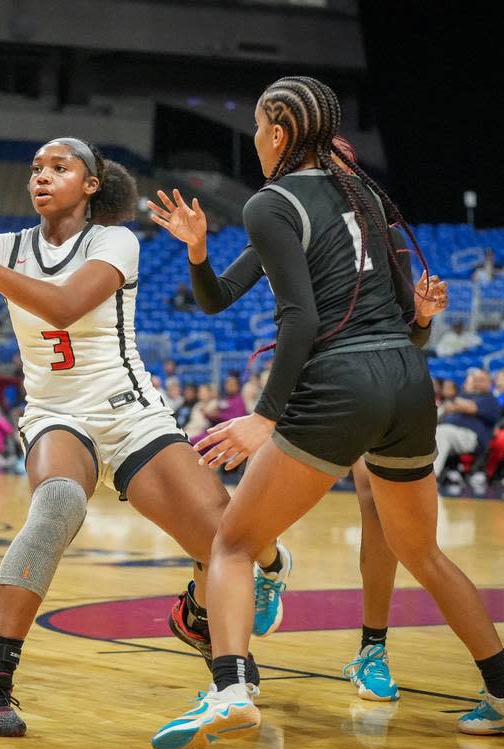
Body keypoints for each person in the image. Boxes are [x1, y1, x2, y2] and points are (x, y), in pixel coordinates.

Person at [0, 135, 282, 739]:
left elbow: (64, 306)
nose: (42, 176)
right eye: (36, 168)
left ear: (90, 185)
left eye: (59, 168)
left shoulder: (115, 240)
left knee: (221, 538)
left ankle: (198, 615)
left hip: (128, 411)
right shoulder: (5, 247)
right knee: (58, 503)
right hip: (56, 413)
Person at [149, 77, 504, 749]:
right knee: (421, 551)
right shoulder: (363, 196)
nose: (254, 136)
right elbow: (218, 297)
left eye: (256, 124)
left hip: (340, 383)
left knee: (234, 545)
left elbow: (301, 318)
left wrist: (264, 418)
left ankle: (231, 690)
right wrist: (195, 249)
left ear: (278, 132)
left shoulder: (272, 201)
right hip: (406, 378)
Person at [166, 130, 448, 704]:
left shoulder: (376, 231)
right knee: (251, 517)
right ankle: (268, 574)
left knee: (379, 515)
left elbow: (405, 336)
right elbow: (217, 296)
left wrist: (421, 318)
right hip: (314, 383)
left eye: (341, 164)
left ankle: (372, 648)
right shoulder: (285, 220)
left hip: (365, 383)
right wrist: (197, 251)